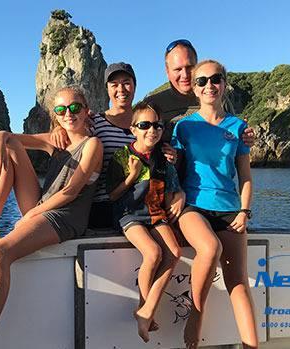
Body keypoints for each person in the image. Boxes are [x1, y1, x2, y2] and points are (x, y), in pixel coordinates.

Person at [0, 86, 103, 349]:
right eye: (62, 109)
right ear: (55, 115)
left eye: (75, 108)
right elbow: (6, 136)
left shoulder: (92, 145)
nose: (69, 114)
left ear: (87, 111)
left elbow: (71, 191)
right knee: (10, 147)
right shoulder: (57, 140)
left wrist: (30, 214)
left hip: (66, 217)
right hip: (43, 206)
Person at [172, 60, 258, 349]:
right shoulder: (183, 127)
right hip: (193, 206)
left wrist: (245, 210)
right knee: (210, 248)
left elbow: (245, 176)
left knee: (239, 283)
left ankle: (252, 345)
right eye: (202, 81)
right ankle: (196, 314)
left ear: (224, 83)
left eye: (215, 79)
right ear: (194, 89)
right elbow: (174, 169)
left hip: (230, 209)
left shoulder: (238, 127)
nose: (209, 85)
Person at [50, 62, 177, 230]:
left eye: (126, 82)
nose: (121, 89)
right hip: (101, 207)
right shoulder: (94, 122)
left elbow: (160, 157)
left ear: (134, 86)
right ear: (107, 89)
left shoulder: (148, 124)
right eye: (114, 84)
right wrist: (59, 129)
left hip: (143, 208)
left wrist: (171, 159)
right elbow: (72, 125)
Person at [106, 101, 185, 343]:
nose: (152, 130)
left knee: (173, 252)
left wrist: (180, 196)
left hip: (155, 212)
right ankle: (144, 309)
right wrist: (131, 176)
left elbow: (173, 187)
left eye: (157, 125)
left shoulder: (164, 157)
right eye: (144, 125)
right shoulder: (122, 156)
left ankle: (147, 310)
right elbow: (112, 195)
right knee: (152, 253)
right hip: (130, 214)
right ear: (133, 129)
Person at [144, 39, 254, 145]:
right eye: (178, 69)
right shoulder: (152, 104)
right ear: (167, 72)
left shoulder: (218, 99)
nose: (185, 75)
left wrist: (245, 138)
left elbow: (233, 137)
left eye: (189, 67)